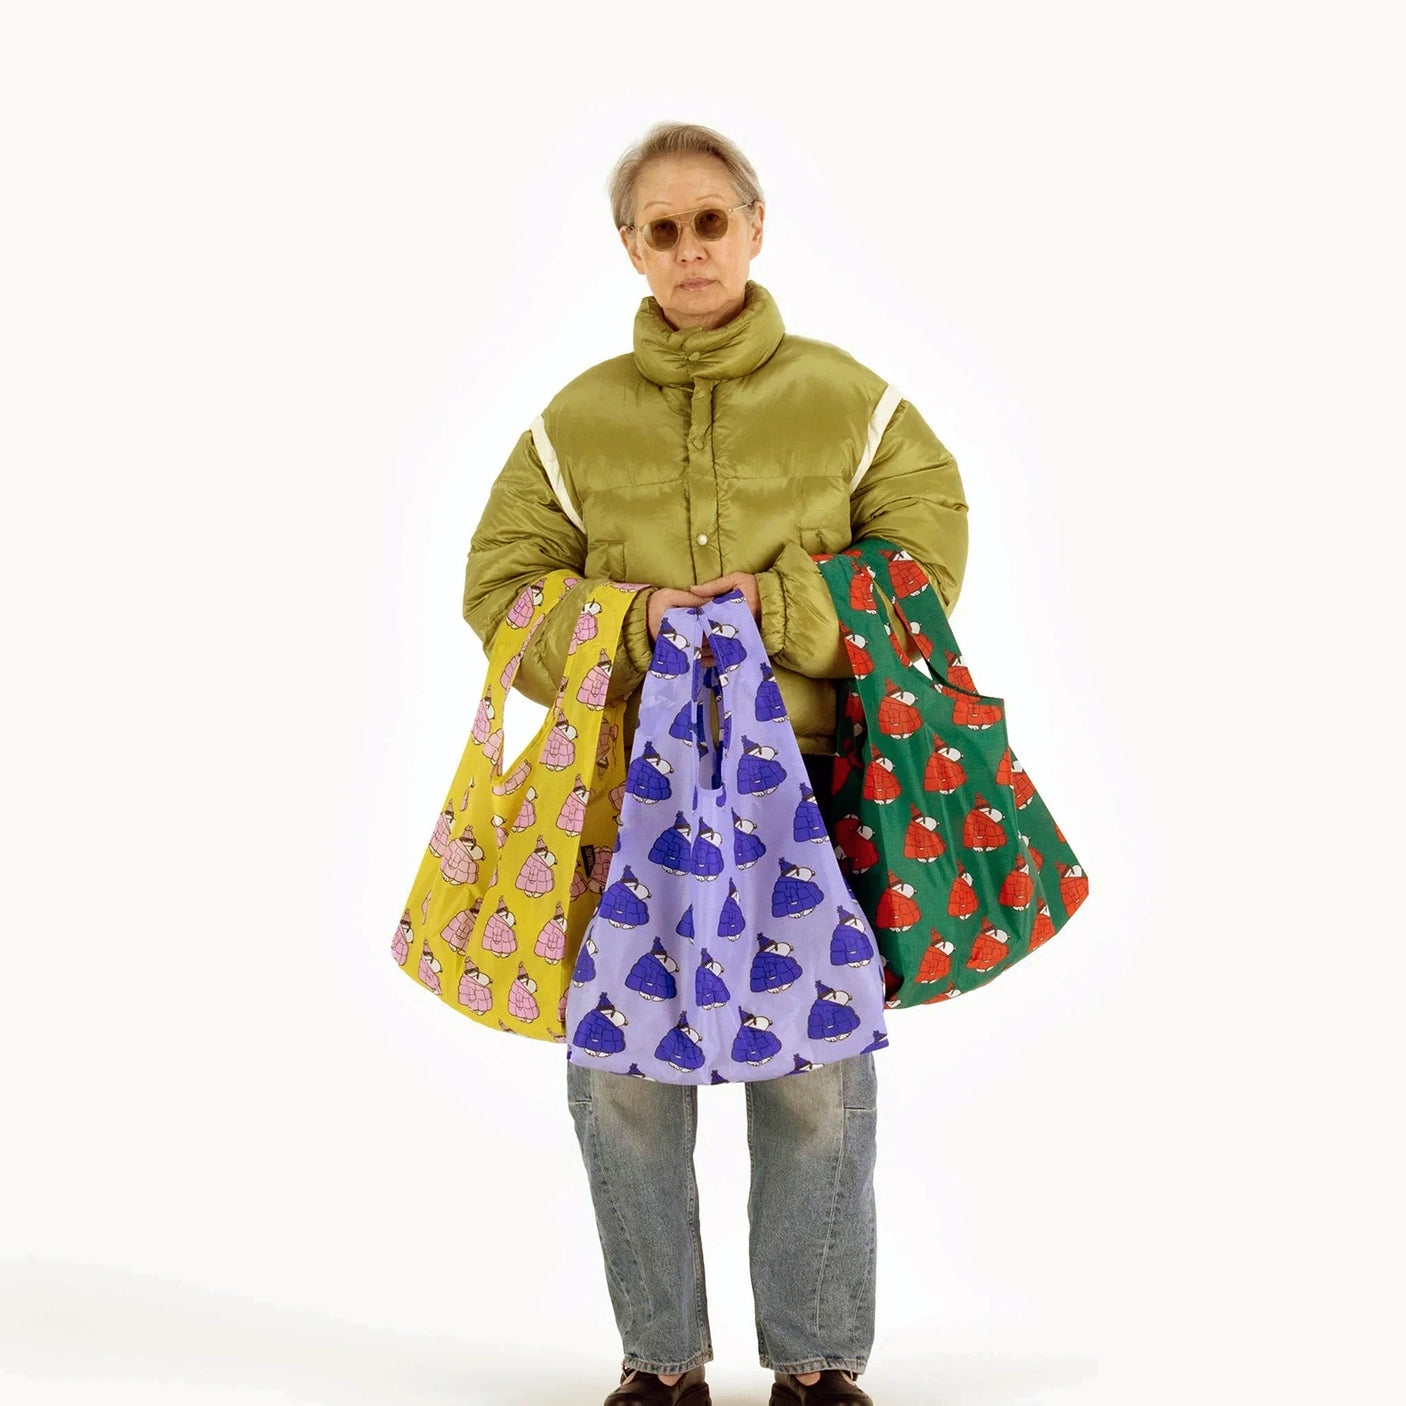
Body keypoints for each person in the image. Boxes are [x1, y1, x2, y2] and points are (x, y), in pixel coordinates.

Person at [462, 121, 969, 1406]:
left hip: (810, 780)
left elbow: (923, 575)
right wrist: (631, 621)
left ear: (752, 225)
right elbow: (502, 590)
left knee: (810, 1072)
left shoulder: (855, 403)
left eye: (709, 220)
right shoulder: (571, 427)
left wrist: (780, 606)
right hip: (625, 797)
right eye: (660, 227)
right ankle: (659, 1360)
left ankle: (813, 1364)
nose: (688, 247)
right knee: (623, 1073)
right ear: (629, 248)